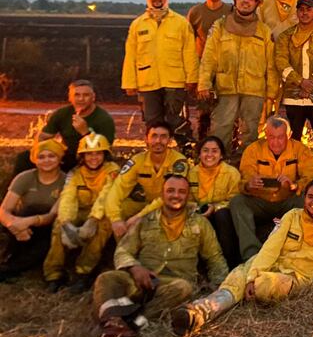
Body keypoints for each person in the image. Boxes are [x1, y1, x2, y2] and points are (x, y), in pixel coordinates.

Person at [171, 179, 313, 336]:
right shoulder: (292, 216)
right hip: (271, 262)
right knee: (238, 276)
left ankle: (247, 291)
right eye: (310, 196)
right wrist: (251, 276)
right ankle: (198, 313)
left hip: (295, 277)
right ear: (304, 198)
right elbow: (270, 248)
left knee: (263, 284)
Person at [91, 174, 228, 337]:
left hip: (172, 286)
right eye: (170, 190)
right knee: (107, 278)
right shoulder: (145, 221)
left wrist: (221, 286)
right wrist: (135, 268)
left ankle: (133, 322)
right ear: (162, 194)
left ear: (188, 195)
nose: (176, 195)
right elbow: (123, 251)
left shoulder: (200, 223)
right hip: (141, 280)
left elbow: (214, 257)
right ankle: (110, 322)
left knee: (184, 288)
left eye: (181, 192)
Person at [198, 0, 278, 154]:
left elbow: (271, 65)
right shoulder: (220, 26)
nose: (246, 1)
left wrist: (271, 94)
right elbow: (209, 57)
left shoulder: (264, 31)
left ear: (257, 3)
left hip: (254, 91)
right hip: (226, 88)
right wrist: (204, 83)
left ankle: (246, 164)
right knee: (221, 128)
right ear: (235, 0)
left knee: (251, 131)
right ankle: (220, 162)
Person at [230, 116, 313, 261]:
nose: (275, 142)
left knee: (306, 202)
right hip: (260, 201)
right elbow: (243, 180)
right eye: (271, 137)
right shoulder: (253, 150)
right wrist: (249, 185)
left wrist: (294, 185)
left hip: (288, 201)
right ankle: (251, 255)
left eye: (280, 137)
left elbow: (312, 178)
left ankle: (298, 252)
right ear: (265, 135)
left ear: (289, 135)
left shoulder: (301, 150)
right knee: (237, 202)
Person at [121, 0, 198, 148]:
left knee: (176, 121)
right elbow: (131, 55)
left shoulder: (180, 23)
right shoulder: (138, 25)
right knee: (152, 122)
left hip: (175, 82)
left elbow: (189, 52)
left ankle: (188, 153)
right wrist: (129, 83)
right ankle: (154, 154)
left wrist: (192, 78)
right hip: (148, 82)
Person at [43, 133, 118, 293]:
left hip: (101, 213)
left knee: (103, 227)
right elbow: (68, 197)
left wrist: (93, 220)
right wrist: (66, 223)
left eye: (98, 153)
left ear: (105, 154)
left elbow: (106, 196)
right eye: (89, 154)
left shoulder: (112, 171)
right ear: (82, 156)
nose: (93, 158)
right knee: (58, 227)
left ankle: (83, 272)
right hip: (79, 212)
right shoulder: (75, 173)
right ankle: (53, 274)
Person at [102, 121, 188, 240]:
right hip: (146, 203)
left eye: (163, 137)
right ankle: (121, 249)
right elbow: (118, 189)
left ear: (170, 140)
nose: (158, 141)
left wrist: (138, 217)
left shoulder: (178, 162)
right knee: (117, 211)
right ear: (146, 139)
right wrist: (115, 219)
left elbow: (170, 197)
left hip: (169, 206)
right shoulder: (137, 161)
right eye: (154, 136)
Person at [274, 0, 313, 161]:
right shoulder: (285, 37)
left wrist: (311, 84)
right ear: (297, 13)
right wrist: (300, 82)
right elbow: (281, 62)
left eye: (308, 9)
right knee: (294, 134)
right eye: (301, 10)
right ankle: (295, 165)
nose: (305, 13)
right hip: (294, 95)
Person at [12, 79, 115, 176]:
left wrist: (85, 132)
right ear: (70, 98)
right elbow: (43, 137)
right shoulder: (63, 113)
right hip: (66, 154)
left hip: (89, 157)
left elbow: (104, 151)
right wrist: (40, 154)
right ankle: (15, 186)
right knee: (24, 158)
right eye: (77, 95)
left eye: (86, 95)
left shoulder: (104, 119)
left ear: (93, 97)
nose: (81, 99)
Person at [0, 139, 67, 283]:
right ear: (35, 160)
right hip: (21, 224)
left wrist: (26, 222)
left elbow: (52, 215)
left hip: (47, 226)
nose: (46, 160)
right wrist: (15, 226)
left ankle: (12, 268)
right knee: (27, 210)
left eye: (51, 156)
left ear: (60, 158)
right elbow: (4, 209)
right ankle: (9, 259)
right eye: (41, 157)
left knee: (47, 234)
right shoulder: (24, 177)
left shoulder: (66, 181)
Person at [187, 0, 232, 139]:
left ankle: (228, 144)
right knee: (204, 110)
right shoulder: (196, 12)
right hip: (204, 67)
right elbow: (188, 41)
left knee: (228, 109)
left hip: (226, 67)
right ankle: (203, 143)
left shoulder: (230, 11)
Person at [188, 136, 241, 269]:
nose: (210, 155)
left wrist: (215, 207)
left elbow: (236, 200)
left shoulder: (231, 173)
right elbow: (187, 200)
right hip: (199, 214)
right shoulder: (191, 173)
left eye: (214, 151)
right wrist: (198, 209)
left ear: (221, 154)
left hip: (224, 218)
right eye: (205, 150)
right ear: (199, 154)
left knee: (222, 215)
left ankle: (231, 264)